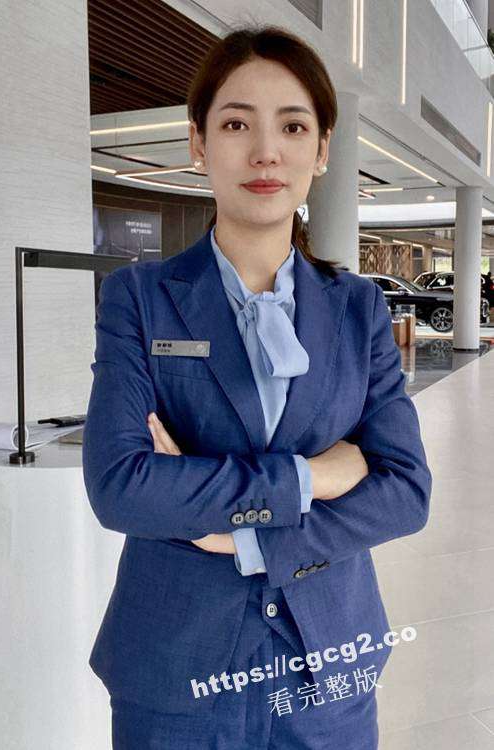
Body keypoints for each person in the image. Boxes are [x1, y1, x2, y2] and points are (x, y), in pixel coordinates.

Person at [82, 24, 432, 749]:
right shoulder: (139, 298)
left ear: (322, 150)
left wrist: (240, 540)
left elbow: (404, 491)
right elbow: (121, 486)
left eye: (293, 126)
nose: (266, 151)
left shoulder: (359, 308)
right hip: (175, 668)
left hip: (326, 664)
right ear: (199, 142)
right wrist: (310, 477)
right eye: (237, 124)